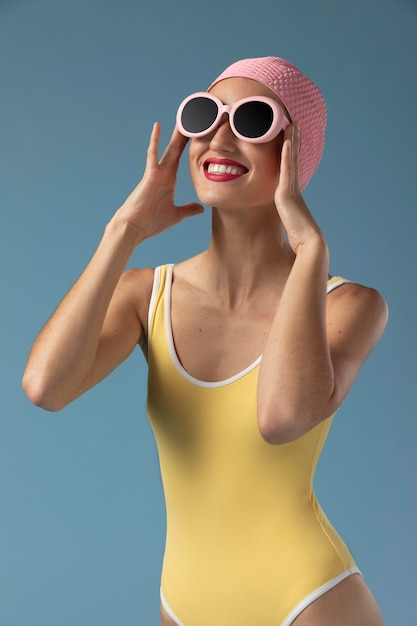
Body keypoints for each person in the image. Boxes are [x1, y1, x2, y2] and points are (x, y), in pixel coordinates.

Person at [22, 56, 388, 625]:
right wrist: (125, 231)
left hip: (307, 601)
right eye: (204, 115)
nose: (218, 136)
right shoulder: (146, 295)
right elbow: (45, 387)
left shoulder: (347, 305)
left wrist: (311, 252)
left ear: (295, 152)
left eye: (251, 121)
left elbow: (282, 417)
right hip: (183, 603)